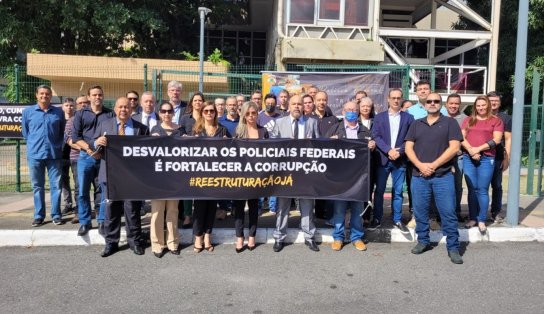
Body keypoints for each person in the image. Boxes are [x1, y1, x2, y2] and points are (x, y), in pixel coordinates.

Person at [404, 92, 464, 264]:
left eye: (436, 101)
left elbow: (454, 148)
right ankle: (423, 241)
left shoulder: (450, 123)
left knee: (448, 213)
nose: (432, 103)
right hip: (419, 175)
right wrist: (421, 166)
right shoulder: (416, 124)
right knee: (421, 212)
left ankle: (453, 248)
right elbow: (408, 148)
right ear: (424, 104)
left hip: (443, 176)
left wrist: (433, 165)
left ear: (441, 104)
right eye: (429, 101)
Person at [95, 97, 150, 257]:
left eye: (126, 107)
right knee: (111, 210)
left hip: (132, 177)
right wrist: (96, 141)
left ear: (131, 109)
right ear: (115, 109)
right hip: (110, 176)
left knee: (132, 210)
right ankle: (111, 243)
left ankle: (135, 242)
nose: (123, 110)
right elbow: (96, 148)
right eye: (120, 107)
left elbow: (146, 153)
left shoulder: (141, 128)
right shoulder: (105, 125)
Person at [270, 94, 320, 252]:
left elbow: (320, 147)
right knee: (283, 205)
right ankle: (279, 237)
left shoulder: (312, 122)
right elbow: (272, 146)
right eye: (294, 104)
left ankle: (309, 237)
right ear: (289, 106)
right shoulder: (279, 122)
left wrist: (311, 145)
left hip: (305, 172)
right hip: (285, 171)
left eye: (300, 104)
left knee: (307, 204)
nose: (297, 106)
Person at [326, 101, 375, 251]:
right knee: (339, 209)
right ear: (343, 111)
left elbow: (369, 157)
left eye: (354, 109)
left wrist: (372, 147)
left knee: (357, 208)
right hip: (341, 178)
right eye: (348, 109)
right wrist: (330, 143)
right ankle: (338, 237)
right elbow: (324, 151)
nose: (351, 112)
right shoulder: (334, 129)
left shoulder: (365, 131)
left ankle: (356, 237)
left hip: (359, 179)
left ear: (358, 111)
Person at [72, 85, 114, 236]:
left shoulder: (110, 114)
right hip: (85, 156)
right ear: (89, 97)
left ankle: (102, 220)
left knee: (104, 190)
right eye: (94, 95)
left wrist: (100, 151)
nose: (97, 97)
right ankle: (85, 222)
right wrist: (89, 150)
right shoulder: (80, 114)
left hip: (104, 158)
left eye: (100, 95)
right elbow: (76, 137)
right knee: (82, 190)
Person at [370, 88, 414, 233]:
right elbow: (376, 136)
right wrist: (389, 150)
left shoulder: (409, 118)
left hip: (399, 161)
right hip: (383, 159)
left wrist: (399, 151)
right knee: (379, 191)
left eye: (398, 98)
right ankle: (377, 218)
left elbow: (410, 138)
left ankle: (397, 219)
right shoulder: (379, 117)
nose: (396, 100)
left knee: (398, 192)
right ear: (388, 99)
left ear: (401, 99)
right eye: (393, 98)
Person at [22, 85, 66, 227]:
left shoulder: (58, 112)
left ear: (50, 95)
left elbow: (62, 132)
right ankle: (39, 215)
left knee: (56, 186)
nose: (44, 96)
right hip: (35, 154)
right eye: (41, 93)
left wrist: (57, 145)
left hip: (54, 154)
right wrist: (34, 144)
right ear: (36, 95)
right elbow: (25, 133)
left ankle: (56, 215)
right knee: (37, 186)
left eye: (47, 94)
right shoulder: (28, 112)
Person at [461, 96, 503, 234]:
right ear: (475, 107)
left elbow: (496, 140)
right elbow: (462, 138)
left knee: (482, 189)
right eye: (478, 105)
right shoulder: (468, 120)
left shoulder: (496, 121)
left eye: (483, 105)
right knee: (472, 189)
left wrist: (477, 149)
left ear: (488, 105)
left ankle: (481, 220)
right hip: (469, 157)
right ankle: (473, 218)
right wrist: (471, 151)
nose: (481, 108)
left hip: (487, 158)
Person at [192, 101, 230, 253]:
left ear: (215, 113)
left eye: (211, 111)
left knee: (211, 207)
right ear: (201, 113)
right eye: (206, 111)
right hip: (200, 175)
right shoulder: (196, 130)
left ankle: (208, 236)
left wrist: (228, 144)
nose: (209, 113)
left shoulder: (222, 130)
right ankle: (198, 237)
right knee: (199, 207)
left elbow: (230, 151)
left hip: (216, 175)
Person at [233, 101, 269, 252]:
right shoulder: (238, 132)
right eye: (247, 114)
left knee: (254, 206)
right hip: (241, 174)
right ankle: (239, 236)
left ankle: (252, 235)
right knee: (239, 206)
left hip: (257, 175)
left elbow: (269, 152)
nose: (251, 116)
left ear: (257, 113)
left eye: (253, 113)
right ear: (243, 115)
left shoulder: (263, 131)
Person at [149, 102, 182, 258]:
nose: (167, 113)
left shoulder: (180, 130)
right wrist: (151, 140)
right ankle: (157, 245)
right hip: (158, 178)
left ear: (173, 113)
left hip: (175, 178)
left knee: (173, 211)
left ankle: (173, 242)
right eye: (164, 111)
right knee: (157, 211)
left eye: (169, 111)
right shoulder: (154, 130)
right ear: (160, 113)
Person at [64, 95, 90, 224]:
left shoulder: (94, 117)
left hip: (96, 157)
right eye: (80, 103)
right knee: (80, 187)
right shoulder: (71, 120)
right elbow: (69, 140)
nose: (83, 105)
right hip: (77, 158)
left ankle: (97, 211)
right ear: (77, 105)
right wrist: (86, 148)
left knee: (98, 187)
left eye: (85, 102)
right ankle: (79, 213)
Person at [487, 91, 512, 222]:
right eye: (491, 101)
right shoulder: (480, 116)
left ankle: (495, 212)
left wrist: (507, 158)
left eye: (496, 101)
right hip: (482, 156)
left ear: (500, 103)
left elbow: (508, 139)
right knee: (480, 186)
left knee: (497, 185)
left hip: (498, 156)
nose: (494, 103)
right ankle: (478, 213)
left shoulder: (506, 118)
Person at [445, 93, 468, 220]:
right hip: (442, 158)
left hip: (458, 158)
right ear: (446, 104)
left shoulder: (466, 119)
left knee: (457, 186)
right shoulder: (440, 116)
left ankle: (456, 212)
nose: (453, 106)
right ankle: (441, 213)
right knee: (442, 186)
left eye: (456, 103)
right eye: (451, 103)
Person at [358, 96, 376, 225]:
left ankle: (366, 216)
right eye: (363, 106)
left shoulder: (377, 121)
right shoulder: (353, 122)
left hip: (372, 162)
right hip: (356, 164)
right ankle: (356, 216)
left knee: (369, 190)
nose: (365, 108)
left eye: (368, 106)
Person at [60, 98, 76, 215]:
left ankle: (78, 205)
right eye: (66, 105)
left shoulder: (77, 120)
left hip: (75, 155)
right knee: (64, 181)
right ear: (62, 107)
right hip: (62, 155)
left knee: (78, 181)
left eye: (71, 105)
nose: (69, 107)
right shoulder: (59, 121)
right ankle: (68, 204)